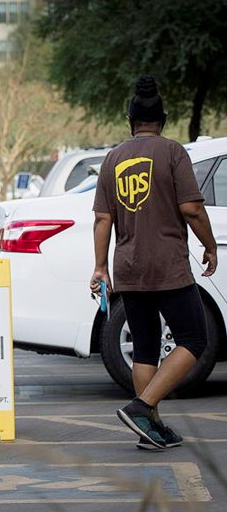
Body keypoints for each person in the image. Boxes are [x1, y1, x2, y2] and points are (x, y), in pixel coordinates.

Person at [91, 76, 217, 449]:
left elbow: (102, 219)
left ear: (131, 119)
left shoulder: (112, 158)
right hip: (167, 265)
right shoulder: (173, 152)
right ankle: (144, 408)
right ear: (162, 118)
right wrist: (208, 245)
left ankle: (151, 428)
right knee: (195, 338)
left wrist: (101, 267)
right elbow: (192, 208)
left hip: (128, 266)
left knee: (145, 347)